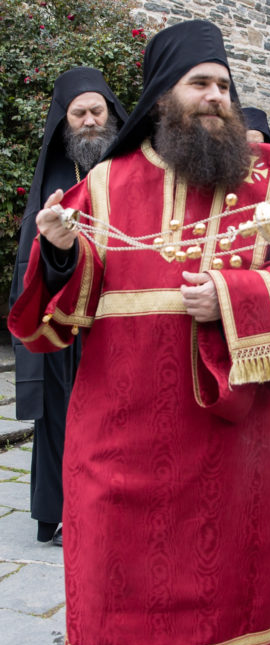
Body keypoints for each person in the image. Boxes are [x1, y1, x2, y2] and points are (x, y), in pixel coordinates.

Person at [8, 20, 270, 645]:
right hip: (118, 460)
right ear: (162, 98)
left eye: (223, 84)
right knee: (116, 627)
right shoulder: (102, 188)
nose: (215, 95)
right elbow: (51, 322)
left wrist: (232, 298)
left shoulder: (269, 184)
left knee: (231, 620)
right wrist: (63, 253)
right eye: (199, 84)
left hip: (229, 460)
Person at [9, 67, 128, 547]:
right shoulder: (53, 176)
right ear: (65, 120)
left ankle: (112, 504)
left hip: (116, 308)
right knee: (59, 414)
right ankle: (56, 513)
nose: (89, 121)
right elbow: (32, 254)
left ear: (111, 113)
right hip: (62, 314)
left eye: (97, 111)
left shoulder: (127, 162)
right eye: (78, 113)